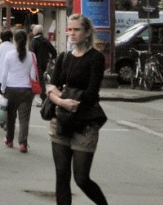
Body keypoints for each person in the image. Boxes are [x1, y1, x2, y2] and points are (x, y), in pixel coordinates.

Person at [46, 13, 109, 205]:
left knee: (81, 179)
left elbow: (91, 93)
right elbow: (50, 87)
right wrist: (62, 102)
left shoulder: (95, 58)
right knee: (61, 176)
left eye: (77, 30)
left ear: (87, 32)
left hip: (84, 124)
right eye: (70, 30)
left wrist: (60, 95)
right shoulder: (64, 57)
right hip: (62, 121)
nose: (72, 34)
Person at [0, 28, 39, 152]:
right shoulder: (32, 56)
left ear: (15, 41)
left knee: (11, 117)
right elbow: (33, 76)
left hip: (11, 89)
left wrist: (2, 89)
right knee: (24, 119)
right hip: (26, 90)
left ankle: (9, 139)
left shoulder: (9, 55)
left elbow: (4, 74)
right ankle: (23, 143)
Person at [30, 23, 57, 102]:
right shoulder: (46, 40)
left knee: (37, 80)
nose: (32, 31)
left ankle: (43, 98)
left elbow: (31, 54)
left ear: (36, 31)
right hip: (45, 63)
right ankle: (41, 96)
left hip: (36, 64)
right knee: (41, 80)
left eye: (34, 30)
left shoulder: (34, 41)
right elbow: (54, 51)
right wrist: (51, 59)